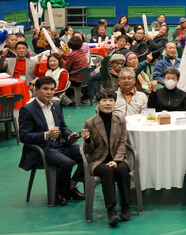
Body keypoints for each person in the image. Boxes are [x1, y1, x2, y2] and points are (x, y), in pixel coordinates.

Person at [18, 76, 85, 206]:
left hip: (60, 144)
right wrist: (45, 135)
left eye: (52, 89)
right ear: (36, 90)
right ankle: (58, 192)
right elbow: (24, 136)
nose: (49, 92)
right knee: (66, 163)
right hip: (43, 148)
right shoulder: (27, 110)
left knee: (86, 153)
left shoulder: (56, 106)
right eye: (45, 89)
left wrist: (70, 136)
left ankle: (70, 186)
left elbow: (63, 127)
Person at [81, 89, 131, 226]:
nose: (108, 103)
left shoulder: (120, 120)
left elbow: (123, 143)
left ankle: (126, 206)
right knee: (107, 171)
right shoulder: (90, 123)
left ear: (115, 103)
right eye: (104, 100)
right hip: (98, 160)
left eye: (111, 100)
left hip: (118, 157)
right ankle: (111, 209)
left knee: (122, 169)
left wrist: (116, 160)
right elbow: (88, 151)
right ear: (98, 103)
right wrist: (88, 140)